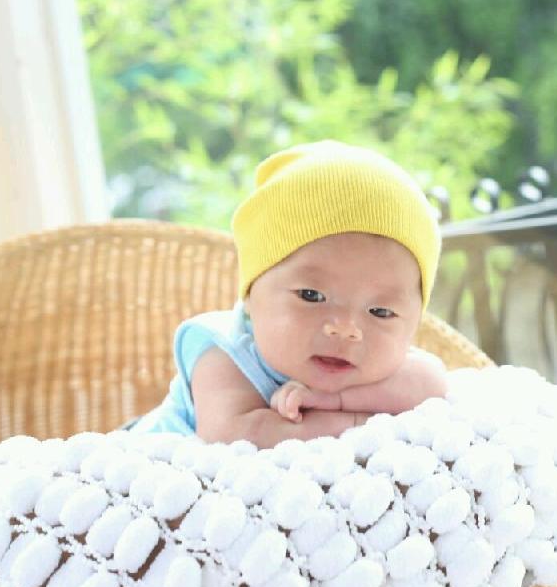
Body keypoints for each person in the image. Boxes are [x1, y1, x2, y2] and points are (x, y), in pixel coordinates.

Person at [126, 140, 448, 448]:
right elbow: (232, 435)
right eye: (311, 295)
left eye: (380, 312)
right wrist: (357, 423)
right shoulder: (224, 352)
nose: (345, 328)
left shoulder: (381, 357)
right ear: (250, 295)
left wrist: (333, 401)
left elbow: (432, 383)